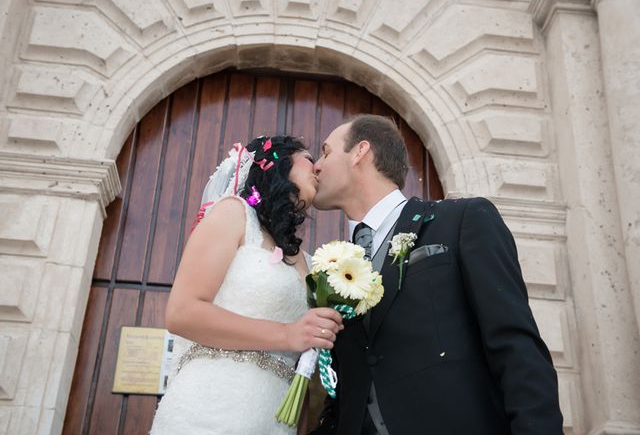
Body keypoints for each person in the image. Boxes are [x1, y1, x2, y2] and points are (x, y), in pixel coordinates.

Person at [309, 115, 563, 434]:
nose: (316, 166)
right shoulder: (334, 272)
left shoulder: (462, 220)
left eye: (326, 152)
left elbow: (515, 345)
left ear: (360, 151)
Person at [150, 136, 343, 435]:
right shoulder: (234, 214)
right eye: (308, 157)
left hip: (276, 420)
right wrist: (286, 334)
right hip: (210, 412)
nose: (317, 166)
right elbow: (182, 312)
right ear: (279, 163)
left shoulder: (309, 261)